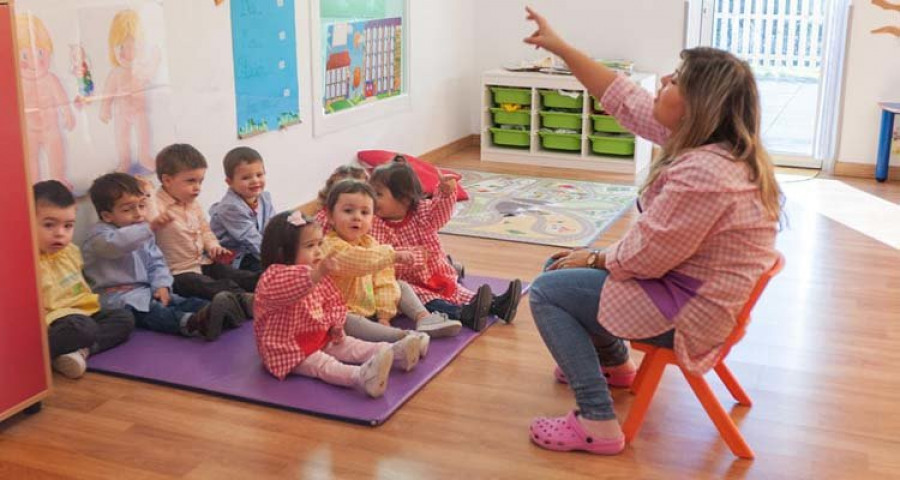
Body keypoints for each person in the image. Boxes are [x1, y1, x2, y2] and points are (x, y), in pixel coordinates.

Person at [522, 7, 781, 455]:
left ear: (700, 105)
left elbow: (644, 258)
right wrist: (561, 47)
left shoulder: (705, 174)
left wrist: (594, 255)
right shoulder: (712, 147)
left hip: (685, 313)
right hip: (689, 292)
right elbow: (622, 96)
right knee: (558, 266)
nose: (663, 80)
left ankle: (596, 420)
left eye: (676, 79)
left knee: (546, 290)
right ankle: (615, 363)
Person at [253, 211, 421, 398]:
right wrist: (319, 272)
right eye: (310, 246)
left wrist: (336, 324)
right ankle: (361, 376)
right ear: (283, 253)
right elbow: (296, 283)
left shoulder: (316, 273)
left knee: (351, 345)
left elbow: (333, 302)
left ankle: (394, 351)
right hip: (288, 348)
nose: (318, 251)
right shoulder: (273, 277)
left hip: (319, 335)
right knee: (322, 364)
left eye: (320, 244)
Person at [82, 173, 248, 342]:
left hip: (147, 290)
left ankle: (221, 312)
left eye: (141, 206)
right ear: (107, 216)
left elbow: (157, 262)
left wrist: (161, 285)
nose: (138, 214)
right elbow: (117, 244)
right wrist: (150, 227)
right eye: (127, 209)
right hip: (118, 298)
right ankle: (192, 323)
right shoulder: (99, 236)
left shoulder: (142, 230)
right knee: (155, 312)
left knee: (181, 301)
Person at [369, 157, 522, 330]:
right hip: (407, 281)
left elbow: (440, 213)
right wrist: (415, 255)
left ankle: (497, 305)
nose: (372, 200)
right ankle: (463, 314)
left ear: (404, 198)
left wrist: (446, 193)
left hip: (436, 272)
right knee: (426, 298)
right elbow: (380, 256)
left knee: (457, 291)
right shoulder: (375, 224)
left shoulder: (421, 211)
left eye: (378, 194)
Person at [322, 180, 463, 337]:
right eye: (348, 211)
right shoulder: (329, 245)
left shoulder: (371, 243)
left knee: (400, 285)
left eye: (365, 213)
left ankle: (425, 318)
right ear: (330, 216)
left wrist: (384, 314)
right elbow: (358, 261)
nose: (357, 217)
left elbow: (384, 279)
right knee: (346, 321)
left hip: (370, 302)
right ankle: (399, 337)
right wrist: (392, 255)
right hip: (347, 310)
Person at [33, 181, 134, 379]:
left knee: (124, 318)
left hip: (84, 311)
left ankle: (78, 352)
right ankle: (39, 355)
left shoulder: (71, 251)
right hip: (56, 320)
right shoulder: (27, 258)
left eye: (68, 225)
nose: (60, 233)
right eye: (49, 225)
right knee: (82, 328)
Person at [147, 143, 258, 305]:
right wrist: (148, 191)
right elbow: (148, 222)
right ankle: (247, 301)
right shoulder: (156, 206)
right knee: (211, 286)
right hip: (178, 273)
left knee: (235, 274)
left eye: (200, 181)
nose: (197, 188)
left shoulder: (192, 203)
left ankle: (269, 285)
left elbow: (205, 230)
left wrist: (213, 246)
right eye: (191, 181)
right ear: (167, 180)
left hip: (202, 262)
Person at [209, 146, 276, 273]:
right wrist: (276, 261)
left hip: (256, 249)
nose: (255, 181)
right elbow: (250, 239)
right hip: (235, 256)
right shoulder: (230, 207)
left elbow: (272, 228)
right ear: (229, 182)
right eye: (246, 178)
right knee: (266, 274)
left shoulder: (265, 198)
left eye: (259, 175)